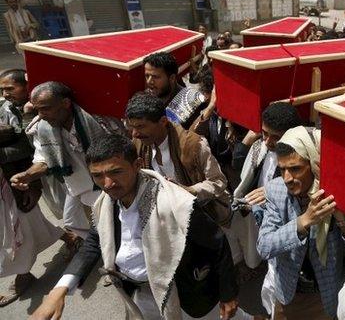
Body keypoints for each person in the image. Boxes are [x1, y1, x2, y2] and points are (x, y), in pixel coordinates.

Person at [30, 134, 239, 319]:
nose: (107, 183)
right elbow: (96, 241)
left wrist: (229, 295)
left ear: (137, 164)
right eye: (97, 176)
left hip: (184, 293)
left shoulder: (177, 203)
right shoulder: (106, 202)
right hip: (140, 294)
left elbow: (217, 244)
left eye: (116, 172)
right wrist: (60, 289)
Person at [257, 126, 345, 319]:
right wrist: (303, 221)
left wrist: (344, 223)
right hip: (289, 296)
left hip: (324, 298)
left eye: (295, 169)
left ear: (313, 164)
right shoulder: (275, 191)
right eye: (282, 169)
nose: (287, 178)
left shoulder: (336, 195)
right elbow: (264, 246)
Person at [10, 82, 110, 241]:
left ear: (65, 103)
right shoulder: (43, 128)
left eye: (45, 108)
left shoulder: (96, 120)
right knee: (94, 230)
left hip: (111, 184)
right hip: (82, 190)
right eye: (37, 109)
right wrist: (28, 175)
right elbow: (44, 161)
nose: (41, 115)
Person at [0, 70, 65, 307]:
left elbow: (27, 146)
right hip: (18, 180)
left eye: (10, 88)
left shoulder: (37, 108)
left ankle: (22, 274)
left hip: (40, 170)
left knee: (25, 222)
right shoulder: (5, 109)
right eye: (2, 90)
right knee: (28, 222)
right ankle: (71, 237)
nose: (6, 94)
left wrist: (32, 181)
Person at [125, 92, 232, 226]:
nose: (135, 133)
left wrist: (188, 190)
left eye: (141, 126)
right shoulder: (139, 144)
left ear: (163, 121)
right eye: (132, 127)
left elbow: (218, 181)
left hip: (201, 220)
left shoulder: (193, 145)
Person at [223, 103, 302, 281]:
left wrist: (273, 190)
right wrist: (246, 142)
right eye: (264, 133)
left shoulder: (299, 161)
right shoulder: (260, 147)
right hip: (255, 209)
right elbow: (238, 165)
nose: (267, 141)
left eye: (275, 137)